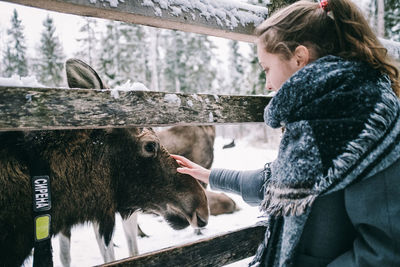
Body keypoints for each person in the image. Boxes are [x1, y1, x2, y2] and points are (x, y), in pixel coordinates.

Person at [171, 0, 400, 266]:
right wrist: (211, 176)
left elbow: (386, 250)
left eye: (267, 68)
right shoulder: (321, 116)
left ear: (299, 58)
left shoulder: (365, 120)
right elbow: (283, 184)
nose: (268, 84)